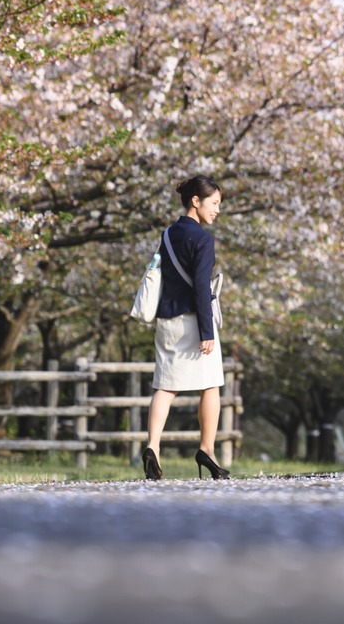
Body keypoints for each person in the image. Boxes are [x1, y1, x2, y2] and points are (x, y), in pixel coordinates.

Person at [142, 174, 229, 480]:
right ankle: (207, 449)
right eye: (214, 203)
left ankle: (152, 446)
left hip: (166, 320)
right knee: (211, 385)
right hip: (194, 321)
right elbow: (201, 288)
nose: (217, 209)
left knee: (165, 387)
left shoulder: (167, 234)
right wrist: (207, 331)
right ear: (196, 201)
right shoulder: (203, 239)